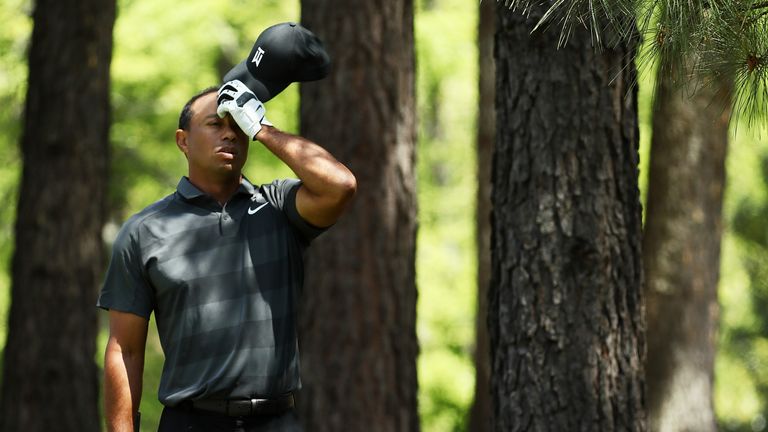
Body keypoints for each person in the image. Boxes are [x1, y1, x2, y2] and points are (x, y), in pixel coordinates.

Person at [98, 79, 356, 432]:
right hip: (190, 422)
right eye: (216, 124)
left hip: (277, 422)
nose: (231, 134)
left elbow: (340, 186)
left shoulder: (278, 206)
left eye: (238, 125)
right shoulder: (144, 231)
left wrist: (263, 128)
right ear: (183, 141)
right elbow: (124, 351)